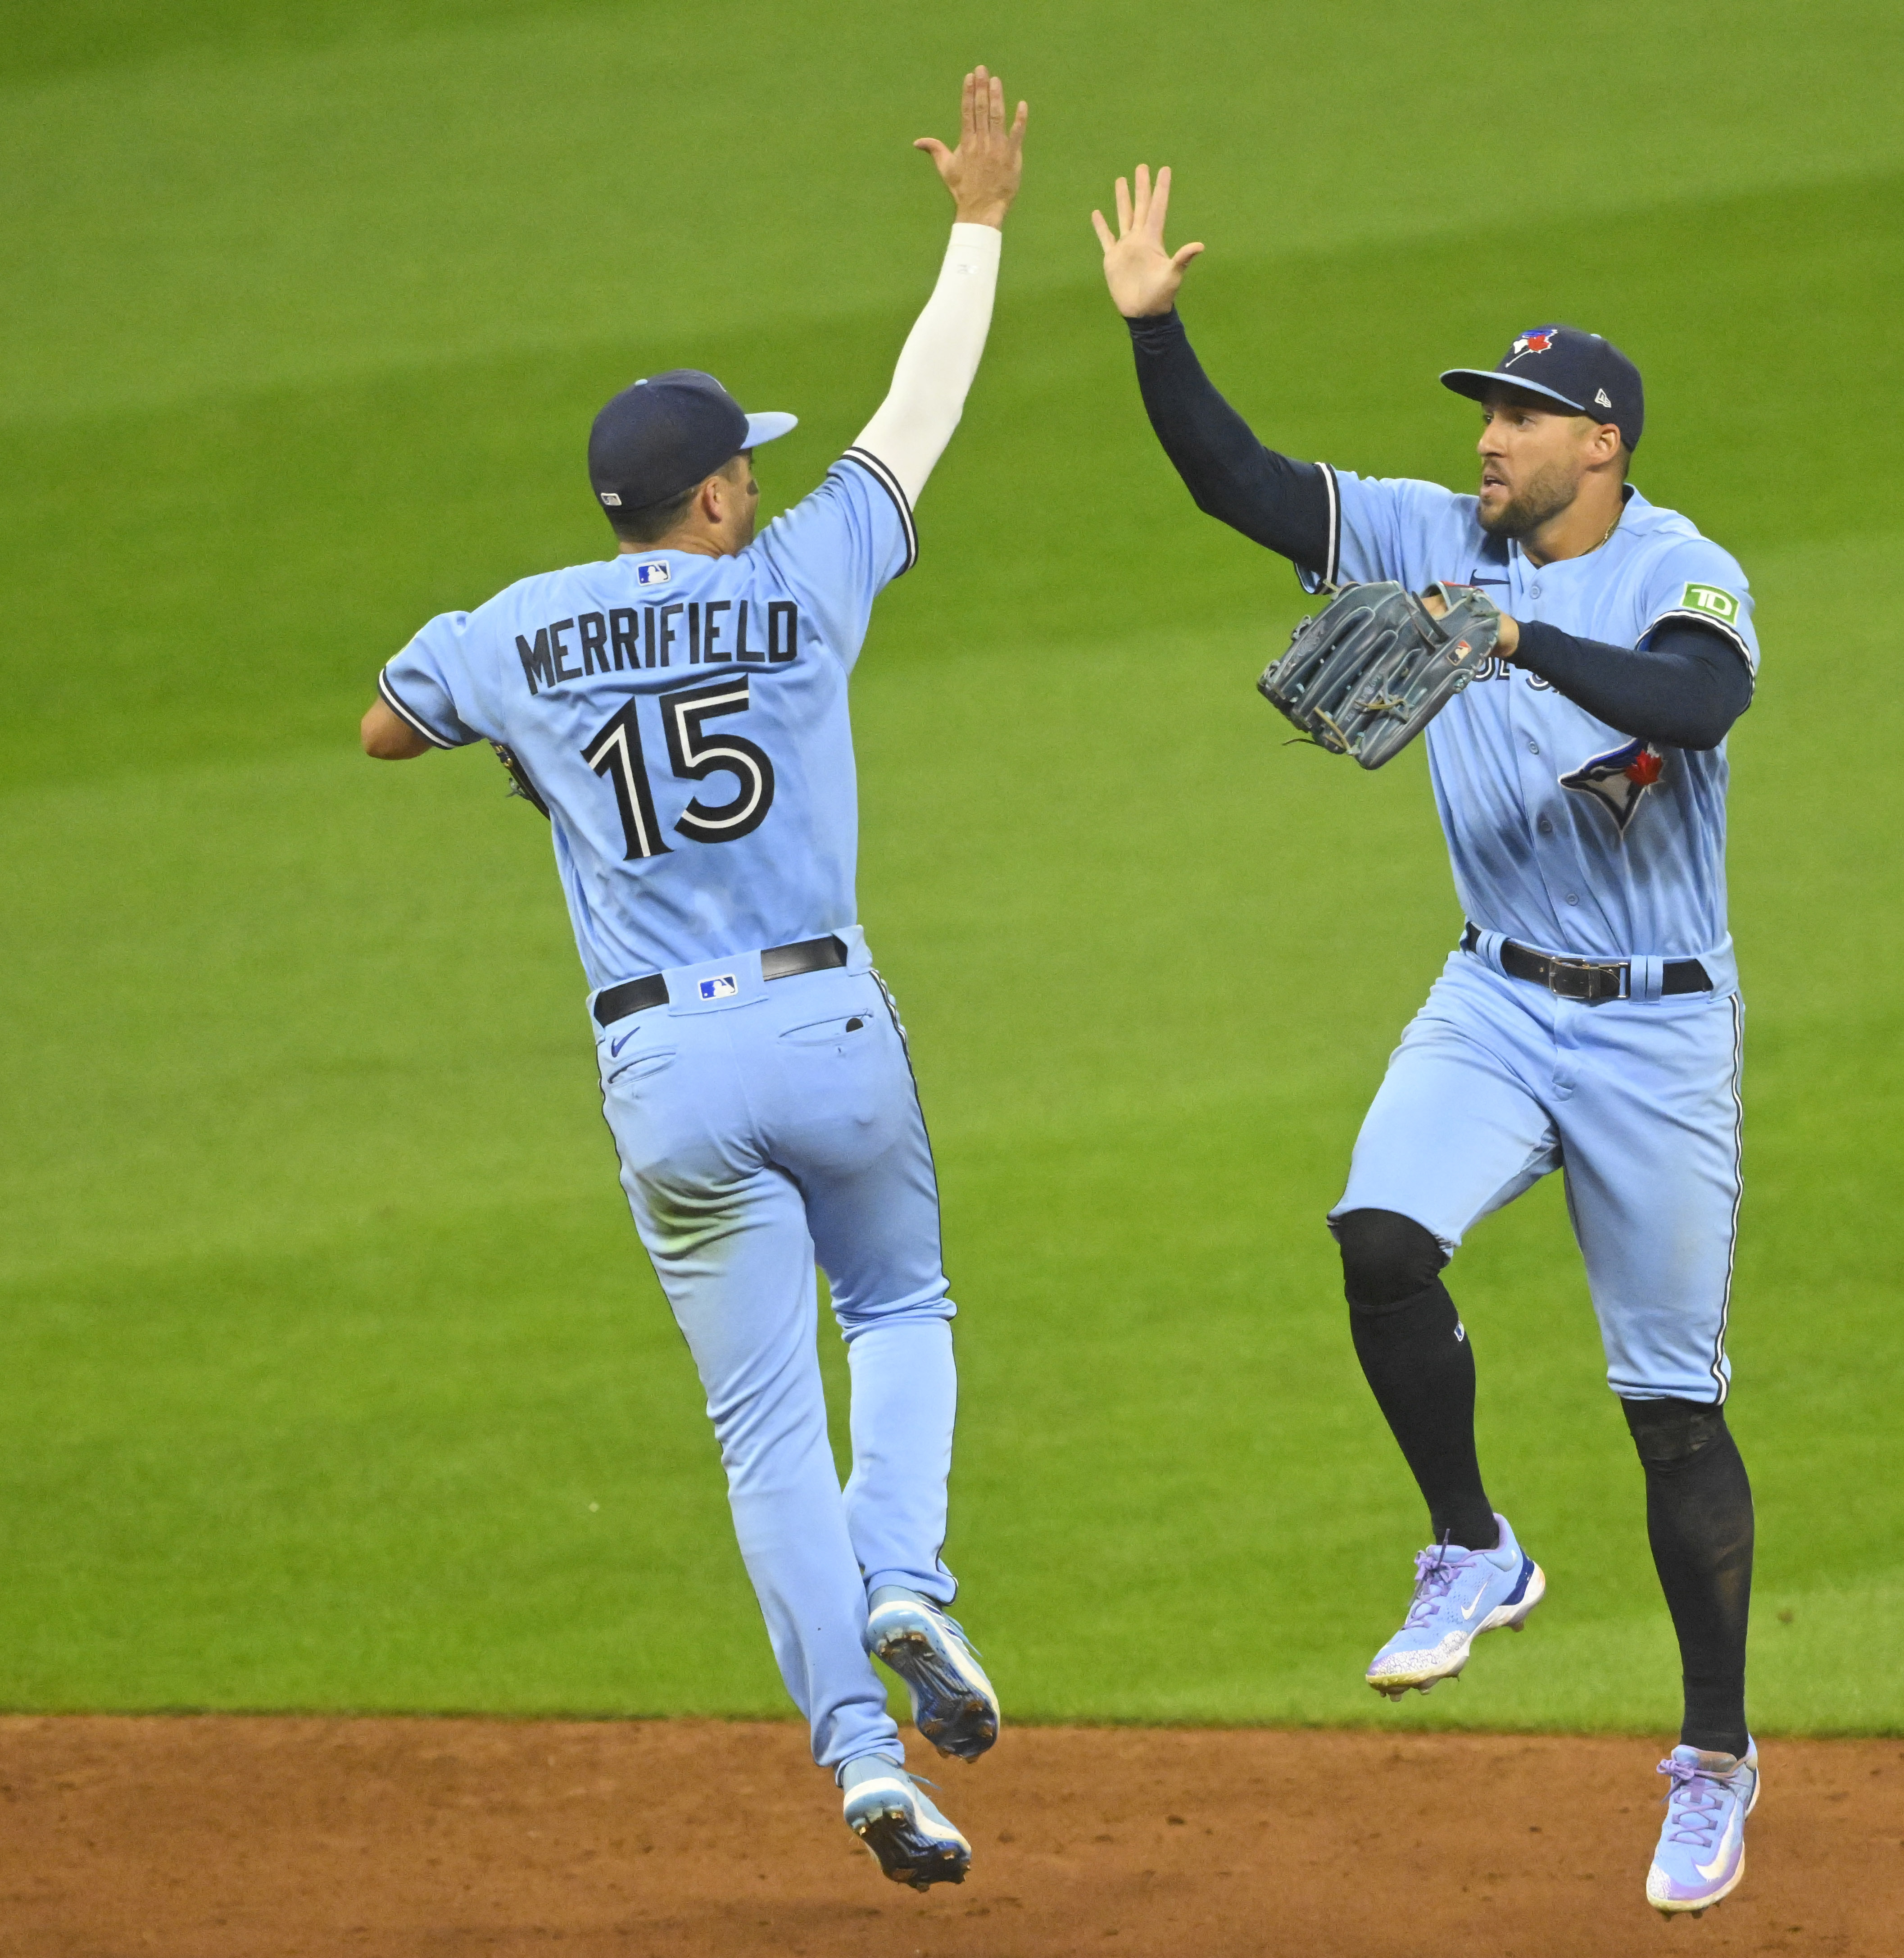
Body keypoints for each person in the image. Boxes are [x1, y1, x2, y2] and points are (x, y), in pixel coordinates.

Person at [356, 65, 1030, 1891]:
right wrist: (975, 222)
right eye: (746, 465)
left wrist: (540, 743)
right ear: (721, 494)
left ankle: (867, 1773)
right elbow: (915, 415)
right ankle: (909, 1575)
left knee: (758, 1437)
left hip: (662, 1076)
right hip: (823, 1020)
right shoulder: (803, 576)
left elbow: (379, 729)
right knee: (897, 1307)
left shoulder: (510, 628)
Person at [1092, 164, 1765, 1916]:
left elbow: (1701, 703)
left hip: (1657, 1035)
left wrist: (1520, 636)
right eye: (1483, 411)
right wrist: (1155, 328)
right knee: (1379, 1236)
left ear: (1599, 444)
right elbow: (1233, 485)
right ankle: (1472, 1547)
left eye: (1520, 416)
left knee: (1672, 1412)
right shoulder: (1419, 531)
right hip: (1493, 991)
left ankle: (1712, 1757)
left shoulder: (1684, 568)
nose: (1486, 438)